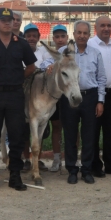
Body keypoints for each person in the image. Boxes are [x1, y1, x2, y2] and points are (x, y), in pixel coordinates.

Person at [0, 8, 36, 192]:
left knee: (17, 136)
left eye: (10, 20)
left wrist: (17, 78)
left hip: (15, 95)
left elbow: (31, 67)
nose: (7, 23)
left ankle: (15, 176)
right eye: (3, 20)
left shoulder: (22, 44)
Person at [45, 20, 106, 184]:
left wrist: (100, 101)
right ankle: (72, 169)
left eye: (85, 33)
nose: (82, 36)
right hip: (69, 98)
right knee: (70, 135)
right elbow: (46, 63)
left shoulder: (95, 53)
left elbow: (101, 79)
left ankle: (86, 170)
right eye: (79, 33)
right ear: (74, 35)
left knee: (89, 136)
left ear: (89, 35)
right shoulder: (64, 52)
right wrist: (49, 66)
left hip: (90, 97)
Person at [88, 16, 111, 177]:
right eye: (102, 25)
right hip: (95, 93)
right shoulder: (90, 45)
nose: (106, 28)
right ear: (96, 27)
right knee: (94, 130)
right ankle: (95, 165)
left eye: (109, 25)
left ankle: (110, 163)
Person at [21, 23, 48, 170]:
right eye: (28, 36)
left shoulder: (43, 51)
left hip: (41, 93)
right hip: (24, 89)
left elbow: (47, 65)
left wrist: (37, 70)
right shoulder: (20, 49)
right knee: (25, 129)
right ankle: (26, 158)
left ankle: (37, 159)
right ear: (24, 37)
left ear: (38, 37)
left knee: (41, 130)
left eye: (34, 36)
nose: (31, 38)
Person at [47, 24, 69, 172]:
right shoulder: (50, 54)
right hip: (54, 96)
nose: (60, 39)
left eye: (63, 36)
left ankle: (72, 156)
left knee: (72, 127)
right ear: (53, 39)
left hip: (67, 95)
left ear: (67, 38)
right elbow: (44, 65)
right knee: (56, 126)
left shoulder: (72, 54)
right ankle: (56, 159)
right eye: (57, 37)